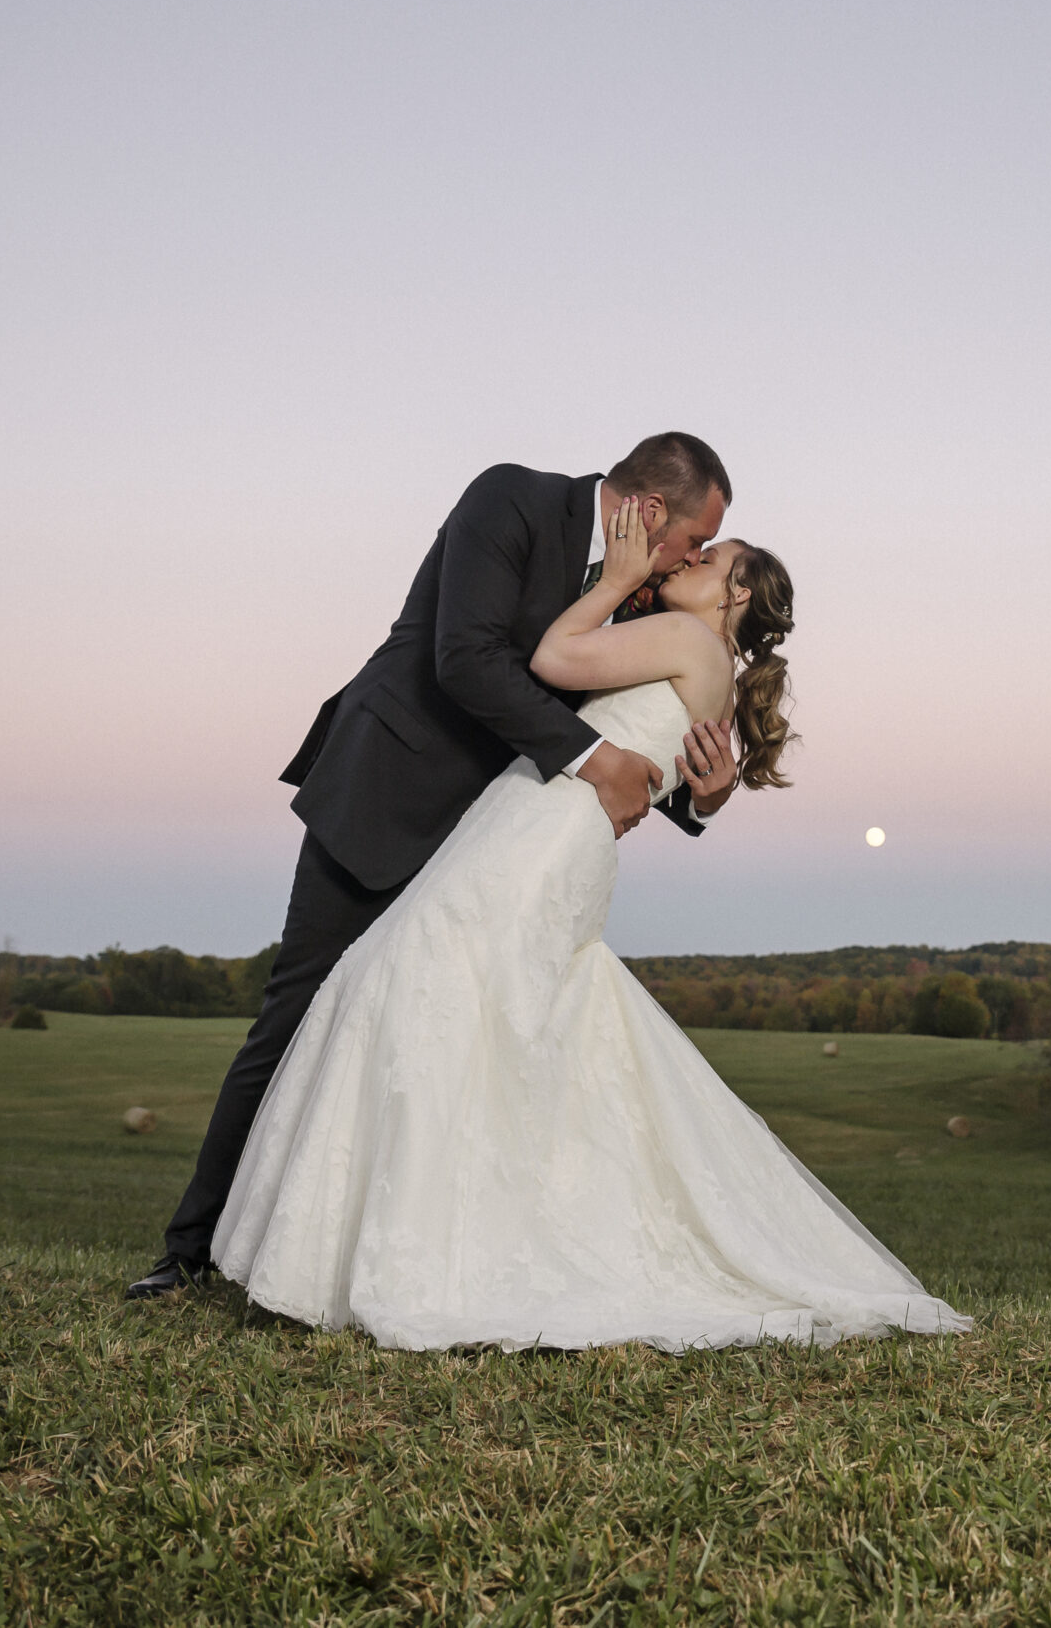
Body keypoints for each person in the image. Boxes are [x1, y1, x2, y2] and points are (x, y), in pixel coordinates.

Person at [208, 493, 969, 1349]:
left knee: (422, 974)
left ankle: (411, 1255)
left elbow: (557, 657)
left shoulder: (685, 636)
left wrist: (616, 578)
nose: (690, 560)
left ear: (737, 598)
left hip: (540, 832)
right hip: (545, 828)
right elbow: (676, 774)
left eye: (713, 560)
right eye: (696, 545)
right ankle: (427, 1241)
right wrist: (702, 792)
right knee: (482, 1004)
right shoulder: (705, 655)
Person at [126, 433, 742, 1300]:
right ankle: (189, 1253)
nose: (692, 559)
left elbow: (639, 715)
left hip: (490, 848)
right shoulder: (512, 500)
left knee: (444, 1048)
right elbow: (467, 658)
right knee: (297, 1016)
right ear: (647, 510)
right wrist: (592, 757)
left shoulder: (640, 599)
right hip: (385, 791)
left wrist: (700, 796)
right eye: (690, 540)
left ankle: (364, 1260)